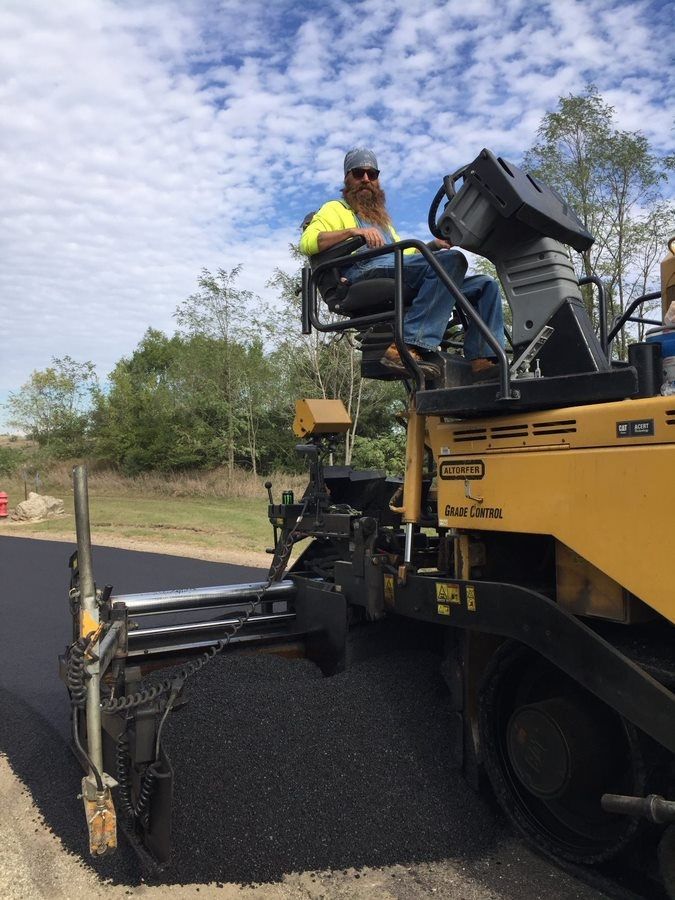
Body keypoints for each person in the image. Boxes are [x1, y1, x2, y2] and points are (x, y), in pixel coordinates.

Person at [300, 147, 505, 380]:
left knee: (484, 285)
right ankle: (408, 345)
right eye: (358, 173)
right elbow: (307, 242)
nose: (366, 179)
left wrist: (434, 246)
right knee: (452, 261)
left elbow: (407, 257)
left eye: (372, 174)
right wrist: (353, 231)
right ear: (347, 178)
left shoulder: (382, 222)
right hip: (362, 269)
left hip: (393, 264)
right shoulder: (334, 209)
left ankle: (482, 358)